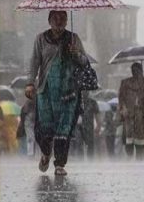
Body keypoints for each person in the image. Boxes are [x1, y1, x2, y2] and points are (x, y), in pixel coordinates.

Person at [25, 10, 88, 176]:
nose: (59, 21)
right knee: (43, 128)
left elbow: (84, 62)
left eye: (63, 18)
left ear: (67, 21)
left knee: (64, 128)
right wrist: (30, 83)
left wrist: (77, 54)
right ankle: (46, 152)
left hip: (69, 92)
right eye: (55, 18)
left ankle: (60, 164)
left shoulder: (74, 39)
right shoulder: (41, 39)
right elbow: (35, 61)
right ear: (49, 20)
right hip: (46, 90)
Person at [118, 62, 144, 160]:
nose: (135, 73)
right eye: (133, 70)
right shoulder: (125, 83)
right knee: (129, 141)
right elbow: (121, 99)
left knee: (141, 142)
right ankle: (130, 158)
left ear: (141, 71)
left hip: (142, 116)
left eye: (138, 70)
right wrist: (123, 108)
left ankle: (140, 161)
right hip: (129, 117)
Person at [80, 92, 101, 159]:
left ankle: (90, 161)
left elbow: (97, 114)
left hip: (89, 127)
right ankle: (80, 160)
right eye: (83, 91)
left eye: (86, 91)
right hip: (78, 127)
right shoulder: (77, 102)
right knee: (79, 145)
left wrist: (98, 125)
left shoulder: (92, 102)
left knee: (90, 145)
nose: (84, 92)